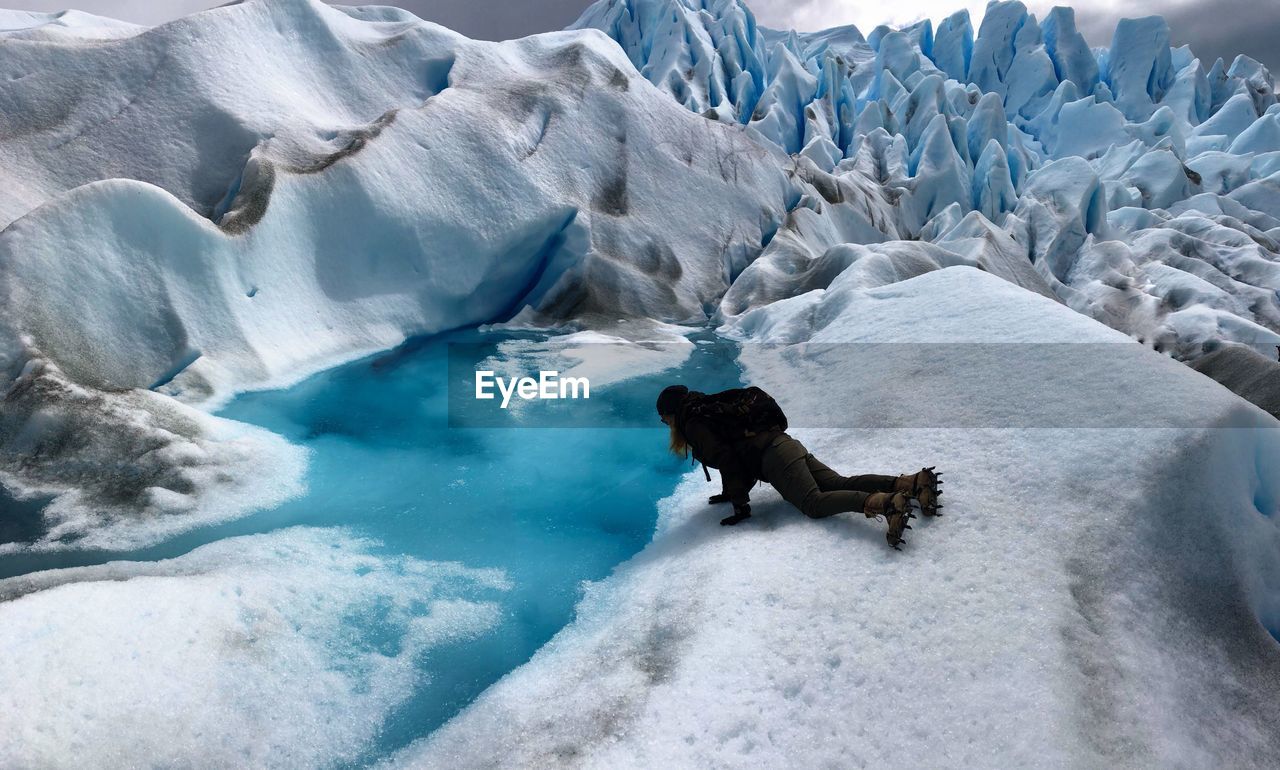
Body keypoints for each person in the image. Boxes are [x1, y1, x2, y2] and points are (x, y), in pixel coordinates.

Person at [656, 384, 942, 549]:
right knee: (837, 483)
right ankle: (912, 483)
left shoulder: (693, 423)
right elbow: (728, 451)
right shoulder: (705, 408)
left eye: (663, 418)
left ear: (670, 414)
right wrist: (727, 493)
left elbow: (728, 460)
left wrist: (741, 506)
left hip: (773, 457)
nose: (665, 424)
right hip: (784, 444)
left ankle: (890, 504)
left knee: (813, 503)